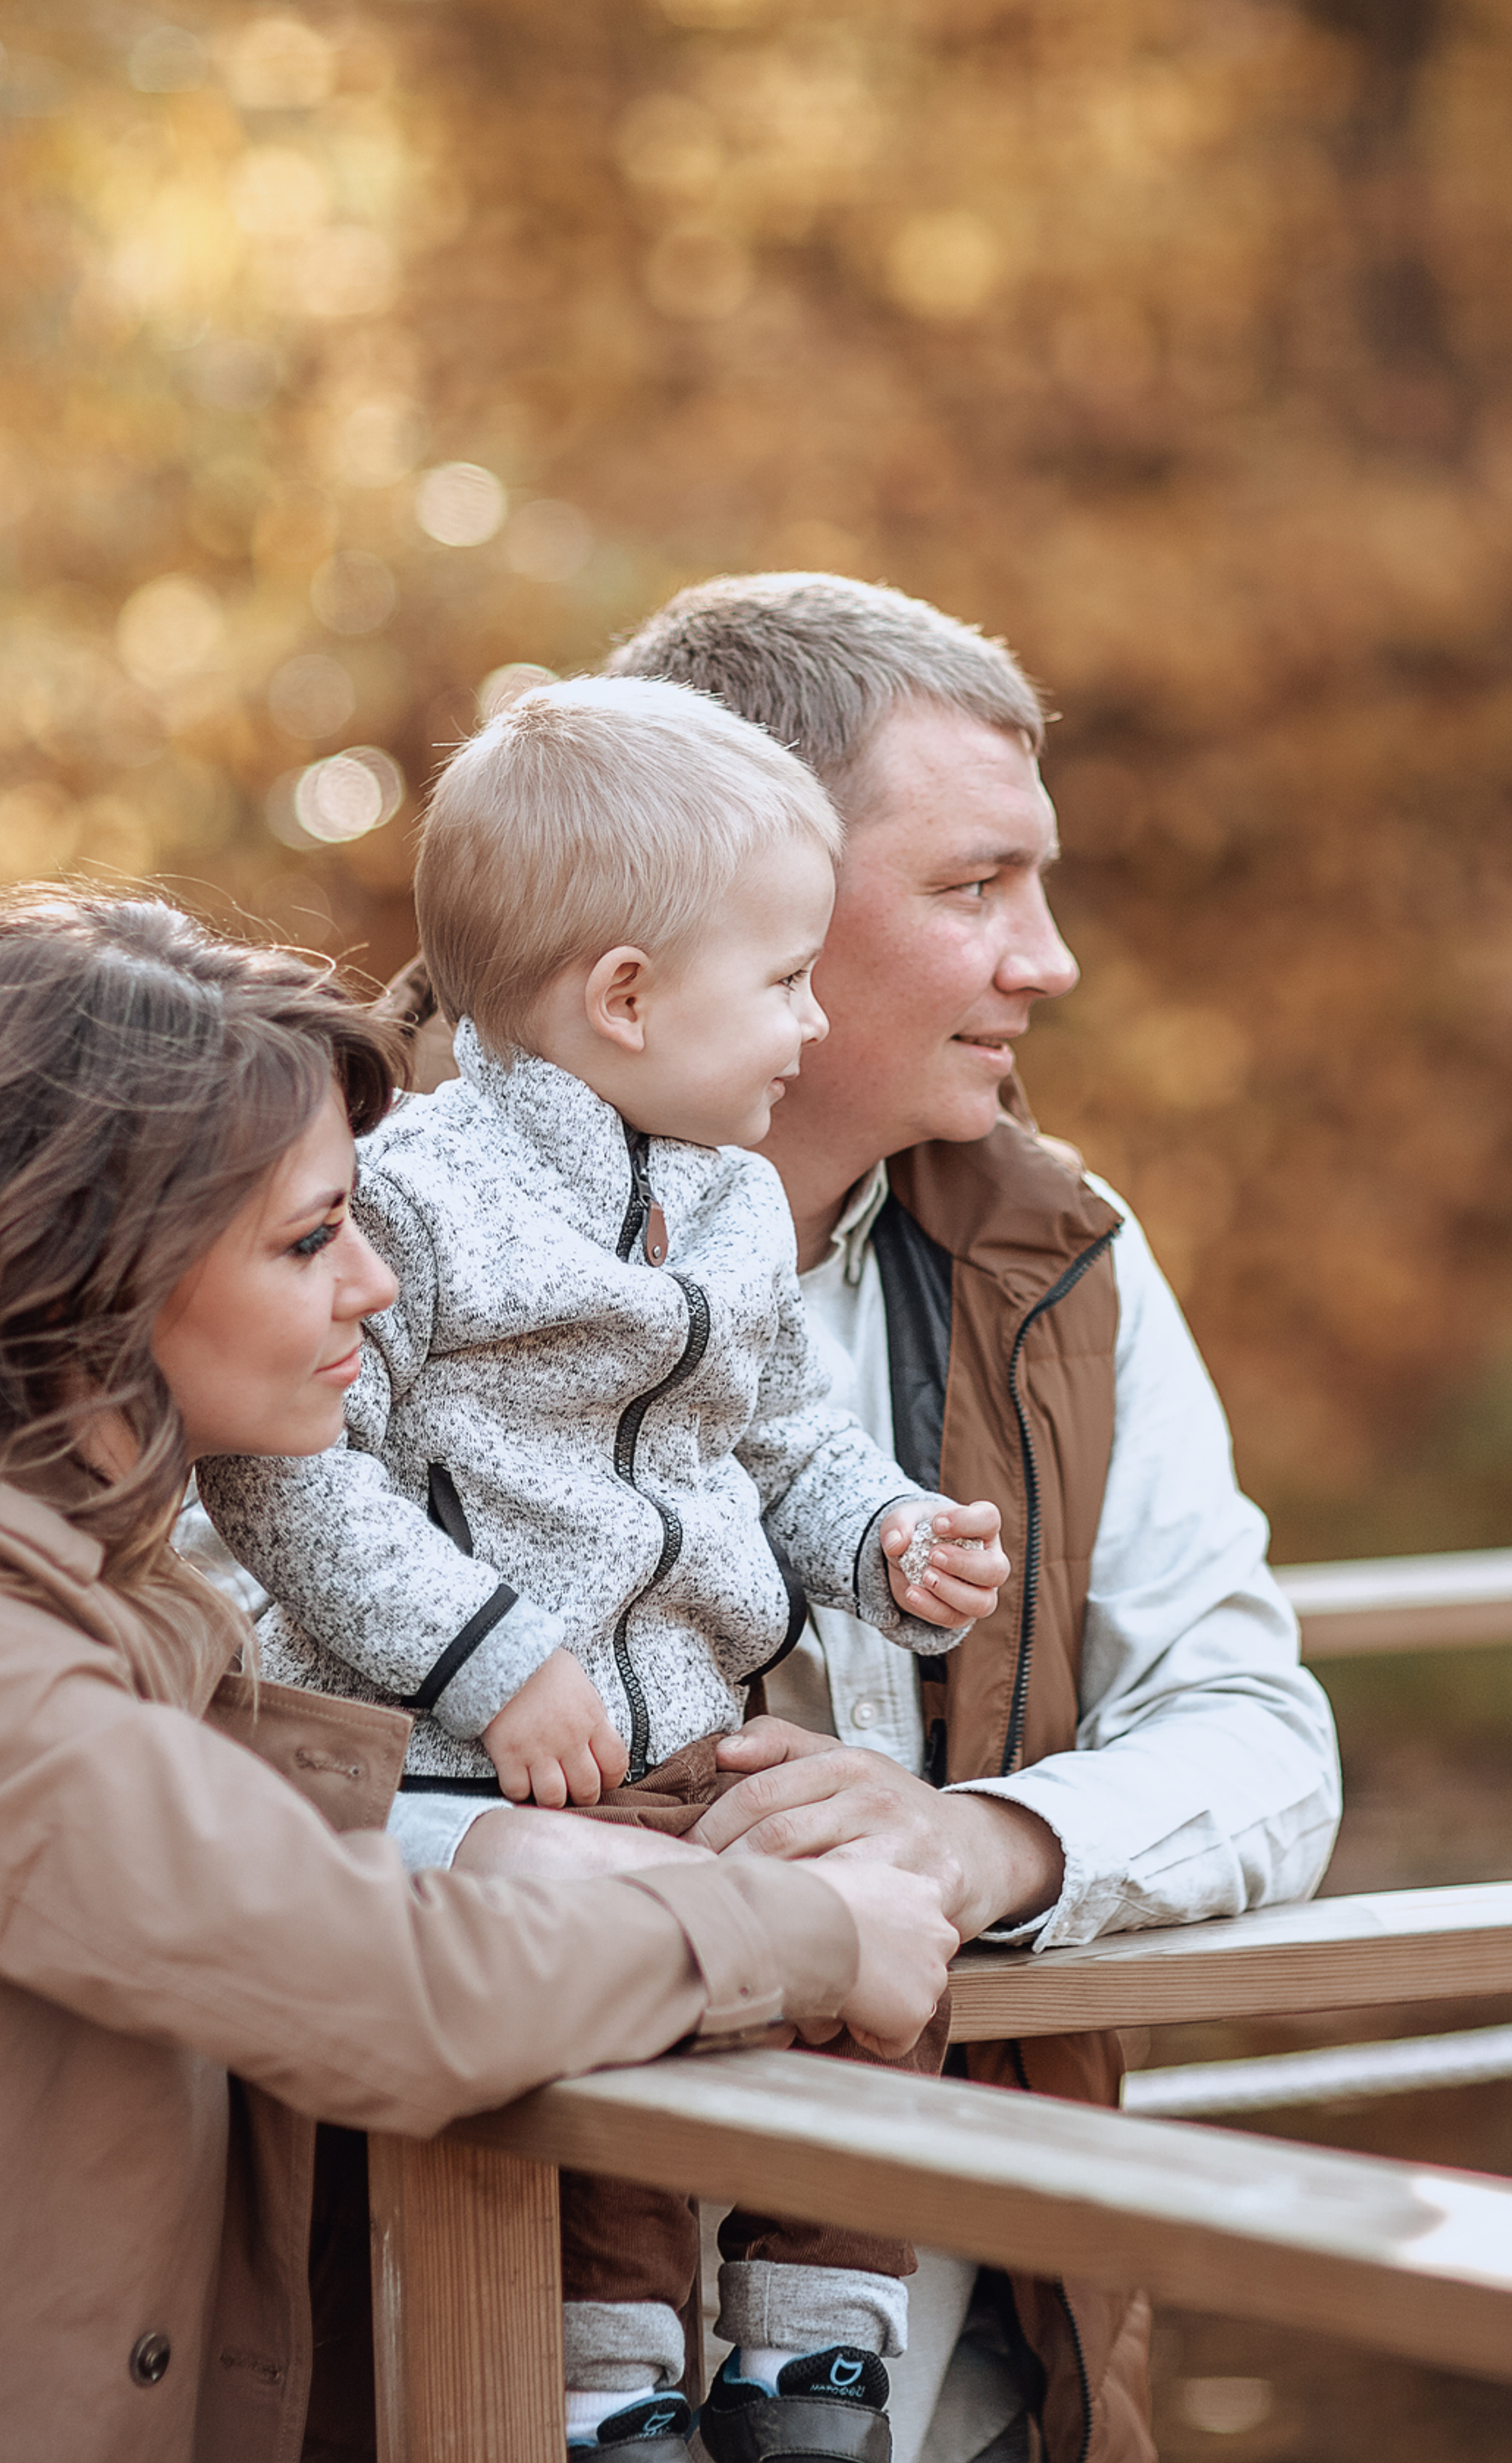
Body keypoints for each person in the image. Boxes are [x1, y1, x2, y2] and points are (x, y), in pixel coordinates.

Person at [384, 573, 1343, 2463]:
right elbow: (193, 1767)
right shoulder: (339, 1222)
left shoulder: (1060, 1257)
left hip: (959, 2388)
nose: (1049, 961)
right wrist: (532, 1857)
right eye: (975, 886)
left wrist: (978, 1842)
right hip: (459, 2354)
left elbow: (1262, 1733)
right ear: (718, 909)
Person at [0, 889, 960, 2463]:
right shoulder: (25, 1673)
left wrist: (469, 1837)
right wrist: (809, 1930)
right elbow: (374, 1988)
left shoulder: (123, 1614)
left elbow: (197, 1837)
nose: (374, 1286)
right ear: (92, 1277)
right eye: (309, 1238)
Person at [199, 677, 1010, 2463]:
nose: (811, 1021)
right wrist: (487, 1654)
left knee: (882, 1923)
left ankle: (815, 2356)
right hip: (477, 1755)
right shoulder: (411, 1199)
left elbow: (777, 1436)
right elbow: (287, 1482)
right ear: (627, 997)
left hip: (687, 1731)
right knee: (612, 2022)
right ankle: (609, 2384)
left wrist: (882, 1537)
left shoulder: (729, 1198)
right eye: (783, 980)